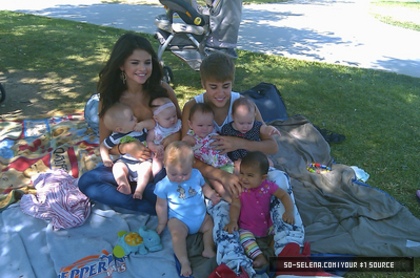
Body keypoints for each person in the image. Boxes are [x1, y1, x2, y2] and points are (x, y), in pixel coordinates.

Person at [181, 51, 305, 275]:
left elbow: (272, 147)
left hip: (248, 171)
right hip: (215, 176)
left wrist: (238, 142)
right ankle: (236, 265)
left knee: (279, 179)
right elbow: (185, 155)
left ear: (233, 82)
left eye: (226, 86)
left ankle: (289, 249)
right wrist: (220, 176)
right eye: (213, 87)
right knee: (220, 207)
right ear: (202, 83)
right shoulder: (193, 107)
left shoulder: (244, 106)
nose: (220, 93)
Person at [78, 33, 181, 214]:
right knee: (87, 182)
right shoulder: (111, 99)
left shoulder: (162, 90)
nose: (142, 68)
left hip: (160, 164)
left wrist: (163, 147)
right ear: (121, 65)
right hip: (127, 166)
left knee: (168, 181)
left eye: (147, 62)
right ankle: (153, 205)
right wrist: (125, 149)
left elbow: (181, 127)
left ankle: (155, 198)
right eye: (135, 63)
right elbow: (106, 144)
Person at [155, 141, 220, 277]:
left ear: (192, 165)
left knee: (210, 226)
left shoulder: (196, 174)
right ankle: (184, 261)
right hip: (180, 220)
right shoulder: (163, 185)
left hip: (201, 217)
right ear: (165, 166)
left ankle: (208, 248)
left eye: (185, 174)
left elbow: (204, 187)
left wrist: (212, 195)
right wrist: (162, 222)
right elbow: (161, 205)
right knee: (176, 235)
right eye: (173, 174)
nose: (179, 178)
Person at [223, 151, 295, 268]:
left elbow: (283, 195)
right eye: (242, 173)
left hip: (267, 225)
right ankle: (259, 256)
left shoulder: (267, 186)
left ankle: (274, 253)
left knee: (281, 229)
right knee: (243, 238)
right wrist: (233, 221)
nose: (244, 178)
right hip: (248, 227)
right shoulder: (240, 189)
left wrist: (289, 211)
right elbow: (235, 205)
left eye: (250, 175)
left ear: (262, 177)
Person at [99, 102, 157, 199]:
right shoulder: (115, 137)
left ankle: (139, 190)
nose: (136, 118)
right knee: (117, 167)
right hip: (126, 163)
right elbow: (103, 146)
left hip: (143, 162)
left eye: (133, 116)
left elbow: (153, 124)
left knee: (146, 168)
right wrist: (106, 159)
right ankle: (124, 184)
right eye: (131, 119)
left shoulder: (140, 130)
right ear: (120, 129)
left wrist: (143, 124)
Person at [182, 102, 234, 201]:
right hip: (208, 169)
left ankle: (240, 194)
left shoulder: (211, 131)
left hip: (222, 163)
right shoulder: (192, 137)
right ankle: (228, 198)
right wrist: (184, 143)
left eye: (209, 125)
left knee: (234, 176)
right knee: (215, 182)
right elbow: (184, 143)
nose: (205, 128)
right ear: (190, 124)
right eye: (200, 125)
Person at [221, 97, 278, 174]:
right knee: (238, 169)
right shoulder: (227, 129)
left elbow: (263, 128)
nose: (245, 126)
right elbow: (223, 142)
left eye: (249, 123)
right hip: (238, 157)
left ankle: (267, 181)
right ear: (233, 117)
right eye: (241, 123)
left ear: (254, 116)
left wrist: (270, 129)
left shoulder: (255, 126)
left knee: (270, 164)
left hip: (255, 153)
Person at [146, 96, 182, 175]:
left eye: (174, 116)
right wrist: (154, 147)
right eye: (168, 118)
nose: (172, 119)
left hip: (175, 153)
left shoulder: (179, 125)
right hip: (160, 154)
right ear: (156, 119)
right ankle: (157, 176)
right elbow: (149, 141)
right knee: (157, 161)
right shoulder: (155, 130)